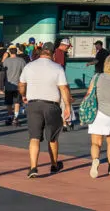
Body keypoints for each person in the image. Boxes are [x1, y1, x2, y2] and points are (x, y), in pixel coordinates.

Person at [18, 42, 72, 178]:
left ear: (41, 51)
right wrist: (67, 107)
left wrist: (23, 95)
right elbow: (64, 88)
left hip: (33, 104)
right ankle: (54, 164)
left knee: (34, 138)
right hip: (51, 105)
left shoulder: (29, 66)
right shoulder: (57, 67)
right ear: (53, 53)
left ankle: (33, 167)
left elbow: (21, 84)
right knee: (52, 137)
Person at [3, 46, 26, 126]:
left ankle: (9, 116)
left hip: (8, 84)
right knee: (17, 102)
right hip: (18, 84)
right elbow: (24, 72)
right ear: (16, 52)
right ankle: (15, 118)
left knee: (9, 102)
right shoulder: (21, 61)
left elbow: (3, 71)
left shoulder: (6, 61)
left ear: (9, 52)